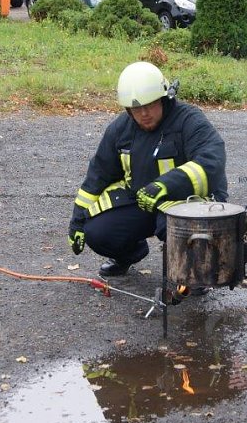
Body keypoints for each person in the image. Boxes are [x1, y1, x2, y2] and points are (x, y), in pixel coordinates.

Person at [68, 61, 229, 277]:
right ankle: (128, 255)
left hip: (188, 201)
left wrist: (165, 186)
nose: (144, 113)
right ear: (128, 108)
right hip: (143, 200)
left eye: (150, 105)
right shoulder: (120, 129)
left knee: (175, 228)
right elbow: (98, 175)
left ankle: (197, 271)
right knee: (98, 232)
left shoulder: (189, 120)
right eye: (136, 108)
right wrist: (77, 221)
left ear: (164, 98)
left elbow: (212, 161)